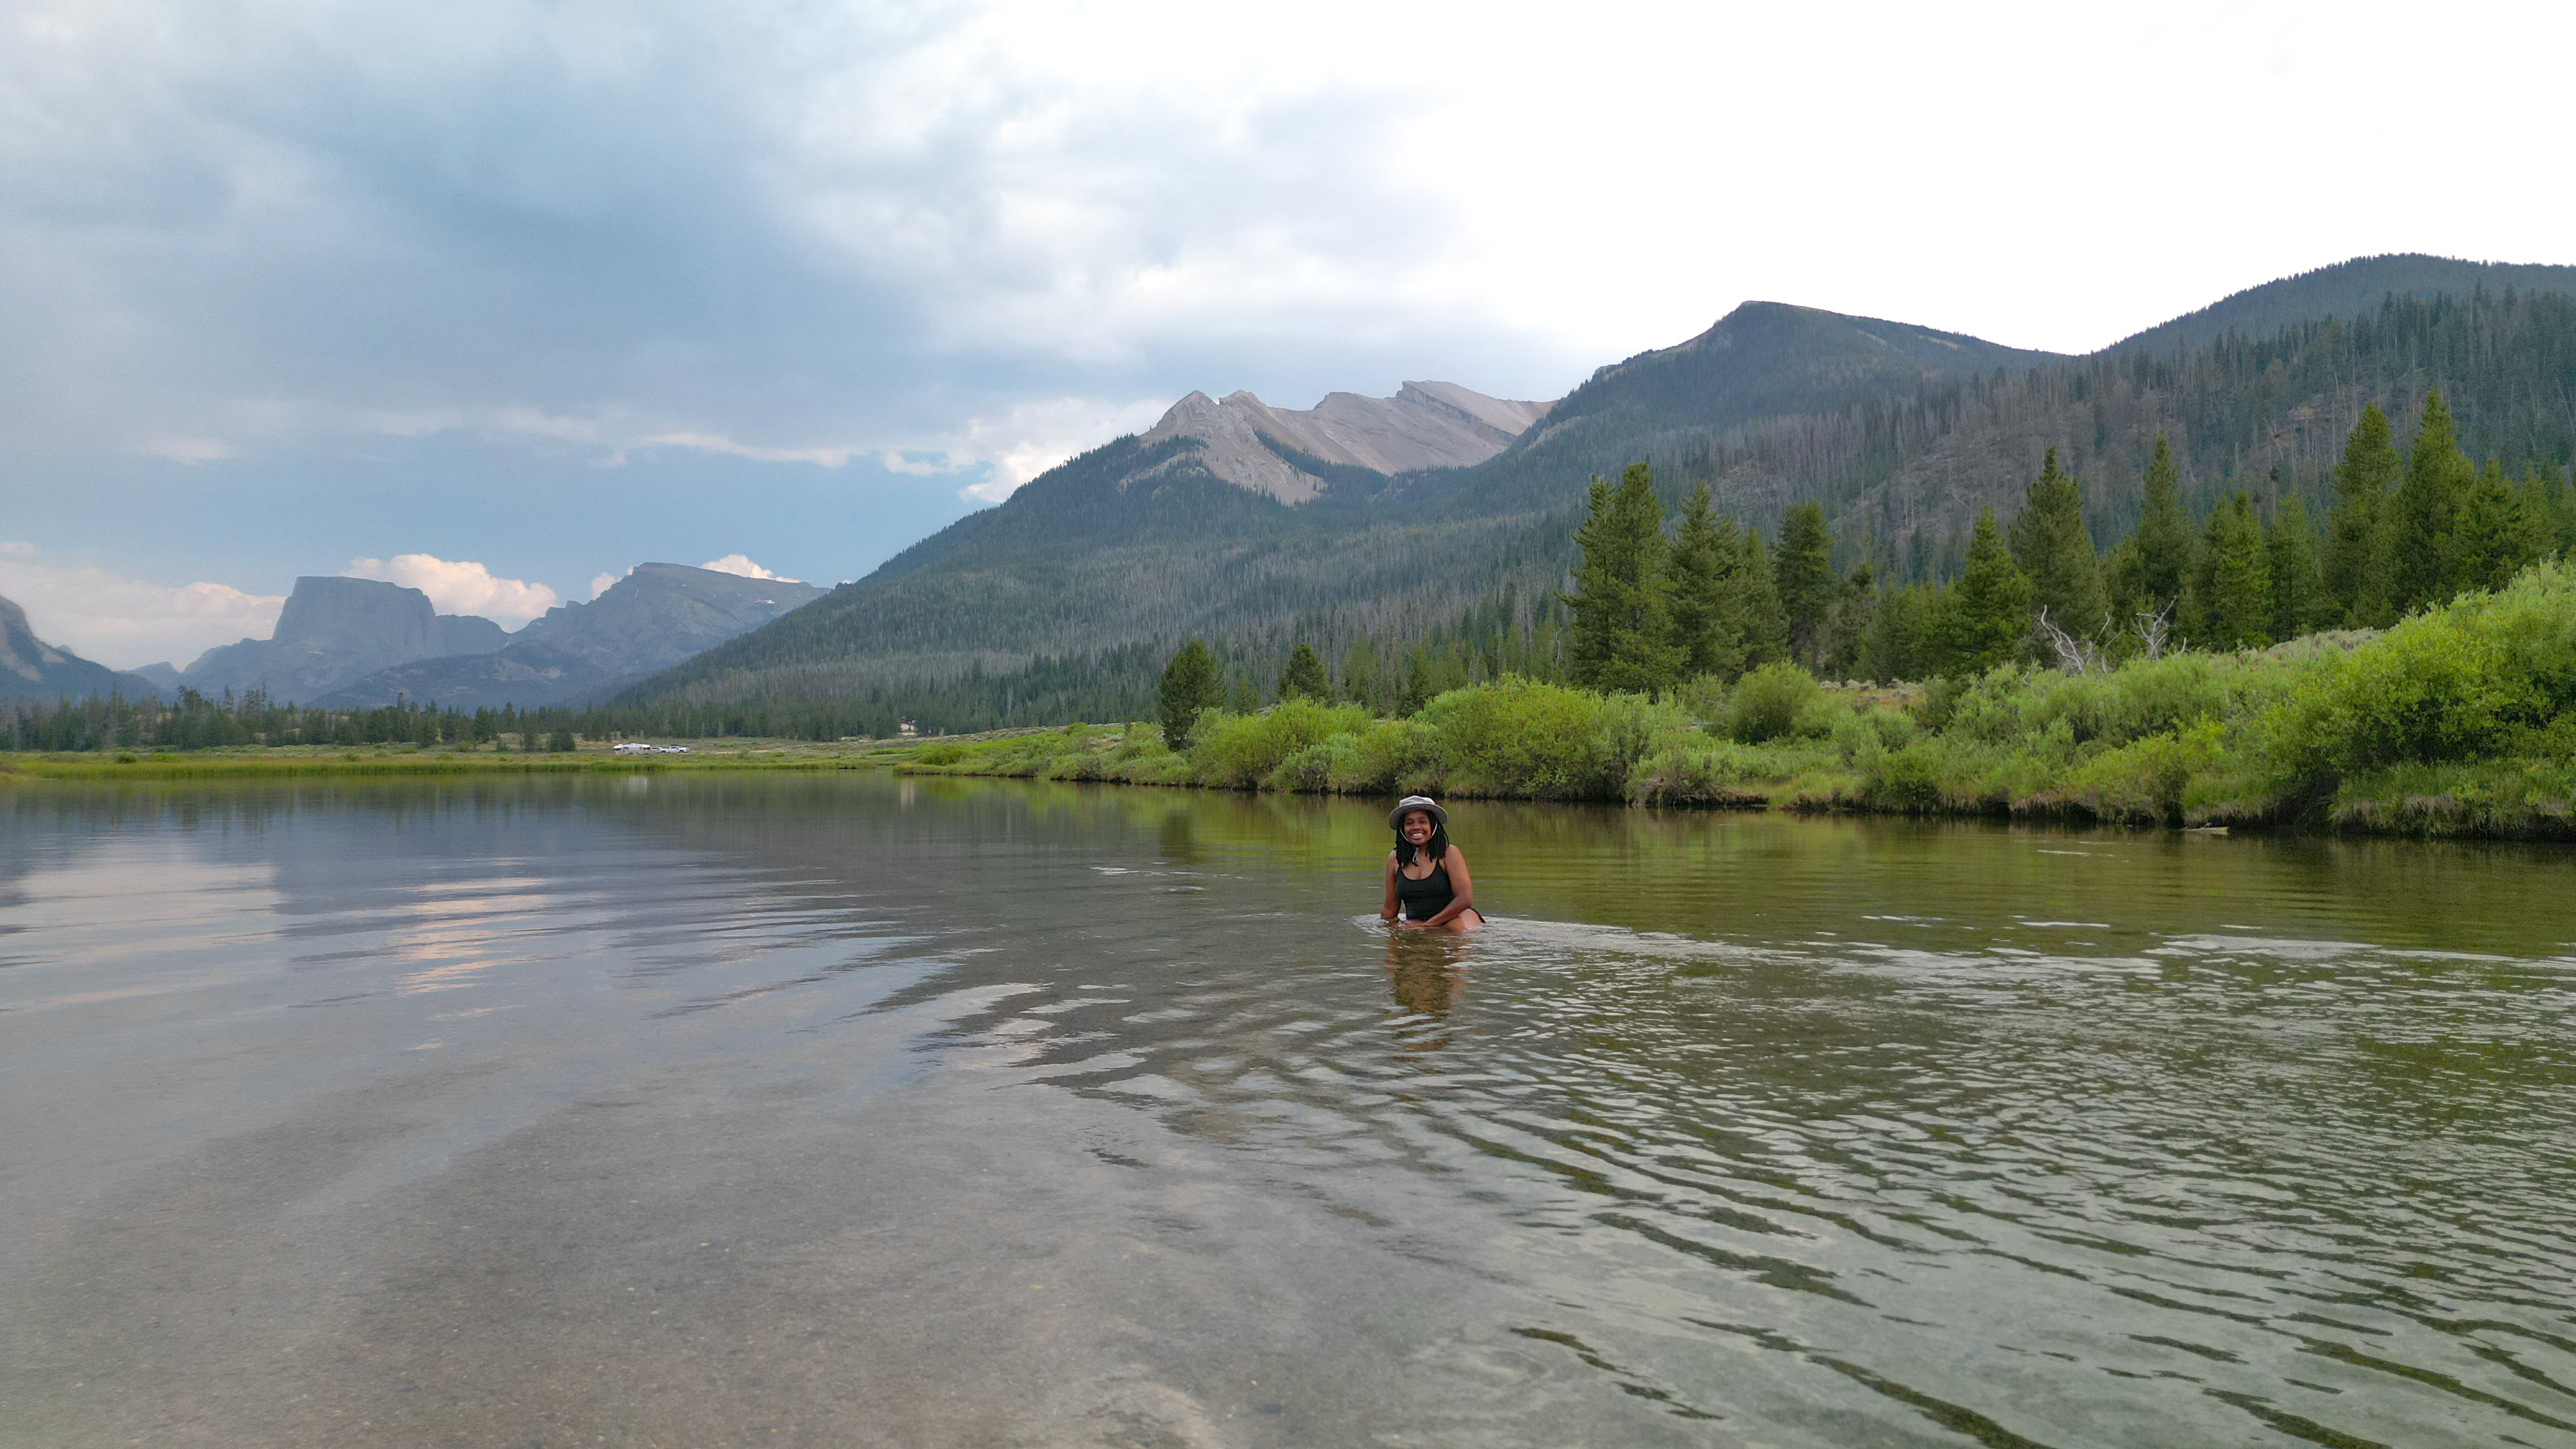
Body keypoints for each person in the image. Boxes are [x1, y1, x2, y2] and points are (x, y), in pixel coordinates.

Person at [1380, 795, 1483, 933]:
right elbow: (1390, 908)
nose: (1416, 827)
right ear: (1402, 829)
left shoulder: (1449, 853)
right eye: (1409, 823)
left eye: (1422, 822)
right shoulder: (1395, 859)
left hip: (1456, 918)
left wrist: (1427, 925)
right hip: (1416, 923)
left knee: (1456, 928)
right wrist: (1386, 931)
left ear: (1433, 826)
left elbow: (1464, 899)